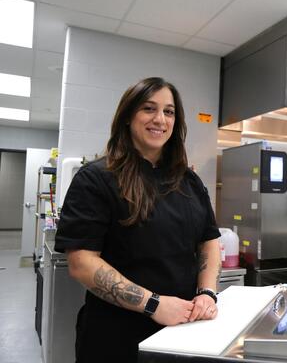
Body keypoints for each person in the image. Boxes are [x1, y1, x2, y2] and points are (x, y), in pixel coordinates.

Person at [55, 77, 222, 363]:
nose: (160, 119)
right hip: (116, 337)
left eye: (169, 112)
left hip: (182, 331)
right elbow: (81, 262)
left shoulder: (188, 180)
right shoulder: (96, 178)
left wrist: (207, 293)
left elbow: (209, 241)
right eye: (149, 108)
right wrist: (153, 304)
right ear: (128, 117)